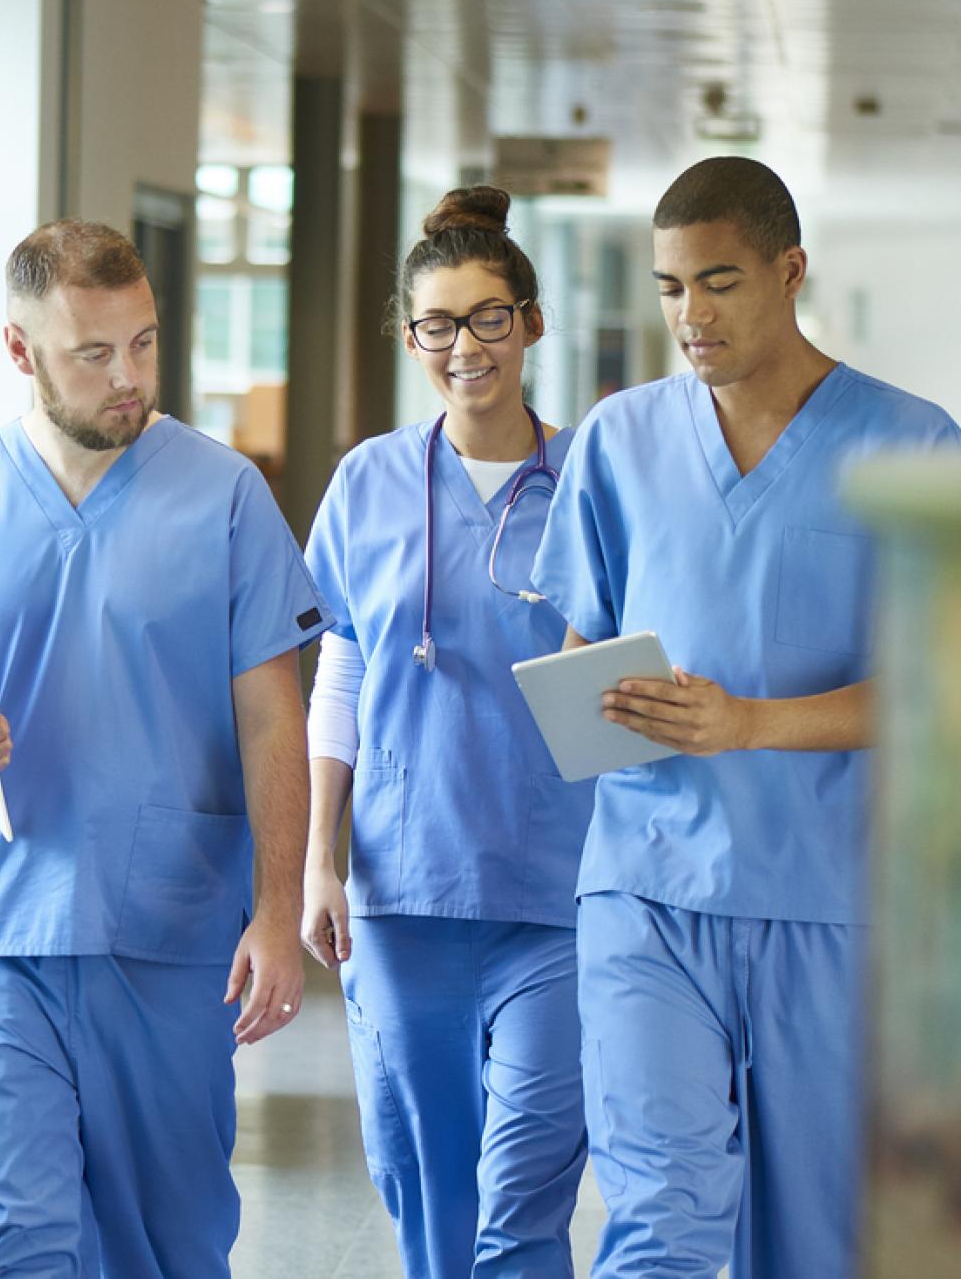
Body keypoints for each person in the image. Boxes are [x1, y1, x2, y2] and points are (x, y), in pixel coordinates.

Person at [530, 156, 961, 1278]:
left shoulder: (909, 448)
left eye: (717, 282)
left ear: (789, 272)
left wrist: (746, 724)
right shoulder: (619, 440)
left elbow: (938, 691)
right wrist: (592, 706)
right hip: (643, 888)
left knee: (812, 1241)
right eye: (669, 287)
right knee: (658, 1219)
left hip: (826, 903)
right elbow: (584, 645)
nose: (689, 315)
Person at [0, 219, 324, 1278]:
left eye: (144, 344)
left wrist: (271, 908)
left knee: (160, 1246)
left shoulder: (224, 498)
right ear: (20, 353)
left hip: (166, 927)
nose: (128, 377)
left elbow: (273, 718)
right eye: (94, 354)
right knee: (8, 1241)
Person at [299, 185, 592, 1277]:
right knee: (424, 1179)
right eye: (436, 324)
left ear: (529, 322)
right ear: (408, 334)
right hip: (401, 887)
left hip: (556, 890)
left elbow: (629, 667)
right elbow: (343, 663)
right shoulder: (367, 482)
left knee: (525, 1185)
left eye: (487, 318)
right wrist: (317, 863)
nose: (463, 346)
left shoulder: (590, 481)